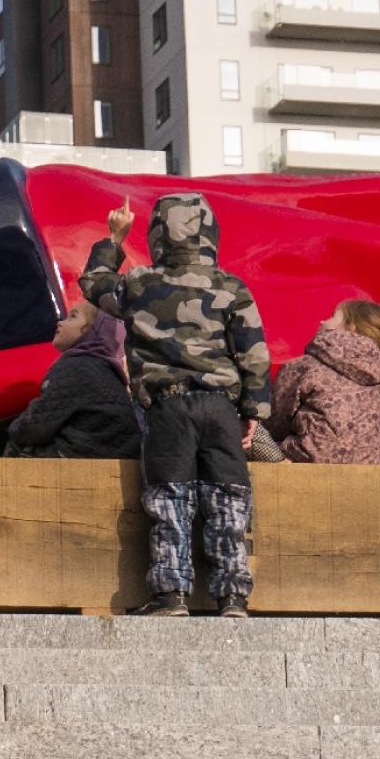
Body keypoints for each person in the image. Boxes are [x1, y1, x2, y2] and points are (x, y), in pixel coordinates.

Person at [79, 192, 270, 618]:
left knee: (170, 498)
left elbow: (94, 282)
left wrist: (114, 236)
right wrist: (253, 411)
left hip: (167, 408)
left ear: (159, 236)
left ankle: (171, 595)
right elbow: (255, 354)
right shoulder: (232, 288)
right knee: (228, 497)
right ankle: (232, 597)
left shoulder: (142, 284)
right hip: (221, 408)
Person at [269, 299, 380, 465]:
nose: (322, 321)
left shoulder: (304, 367)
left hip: (304, 464)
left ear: (351, 328)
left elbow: (275, 424)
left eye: (332, 316)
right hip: (368, 472)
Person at [4, 299, 141, 460]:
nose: (60, 323)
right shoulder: (107, 371)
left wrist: (13, 429)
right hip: (117, 456)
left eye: (72, 317)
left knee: (17, 447)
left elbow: (35, 426)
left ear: (92, 332)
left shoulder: (76, 366)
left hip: (82, 455)